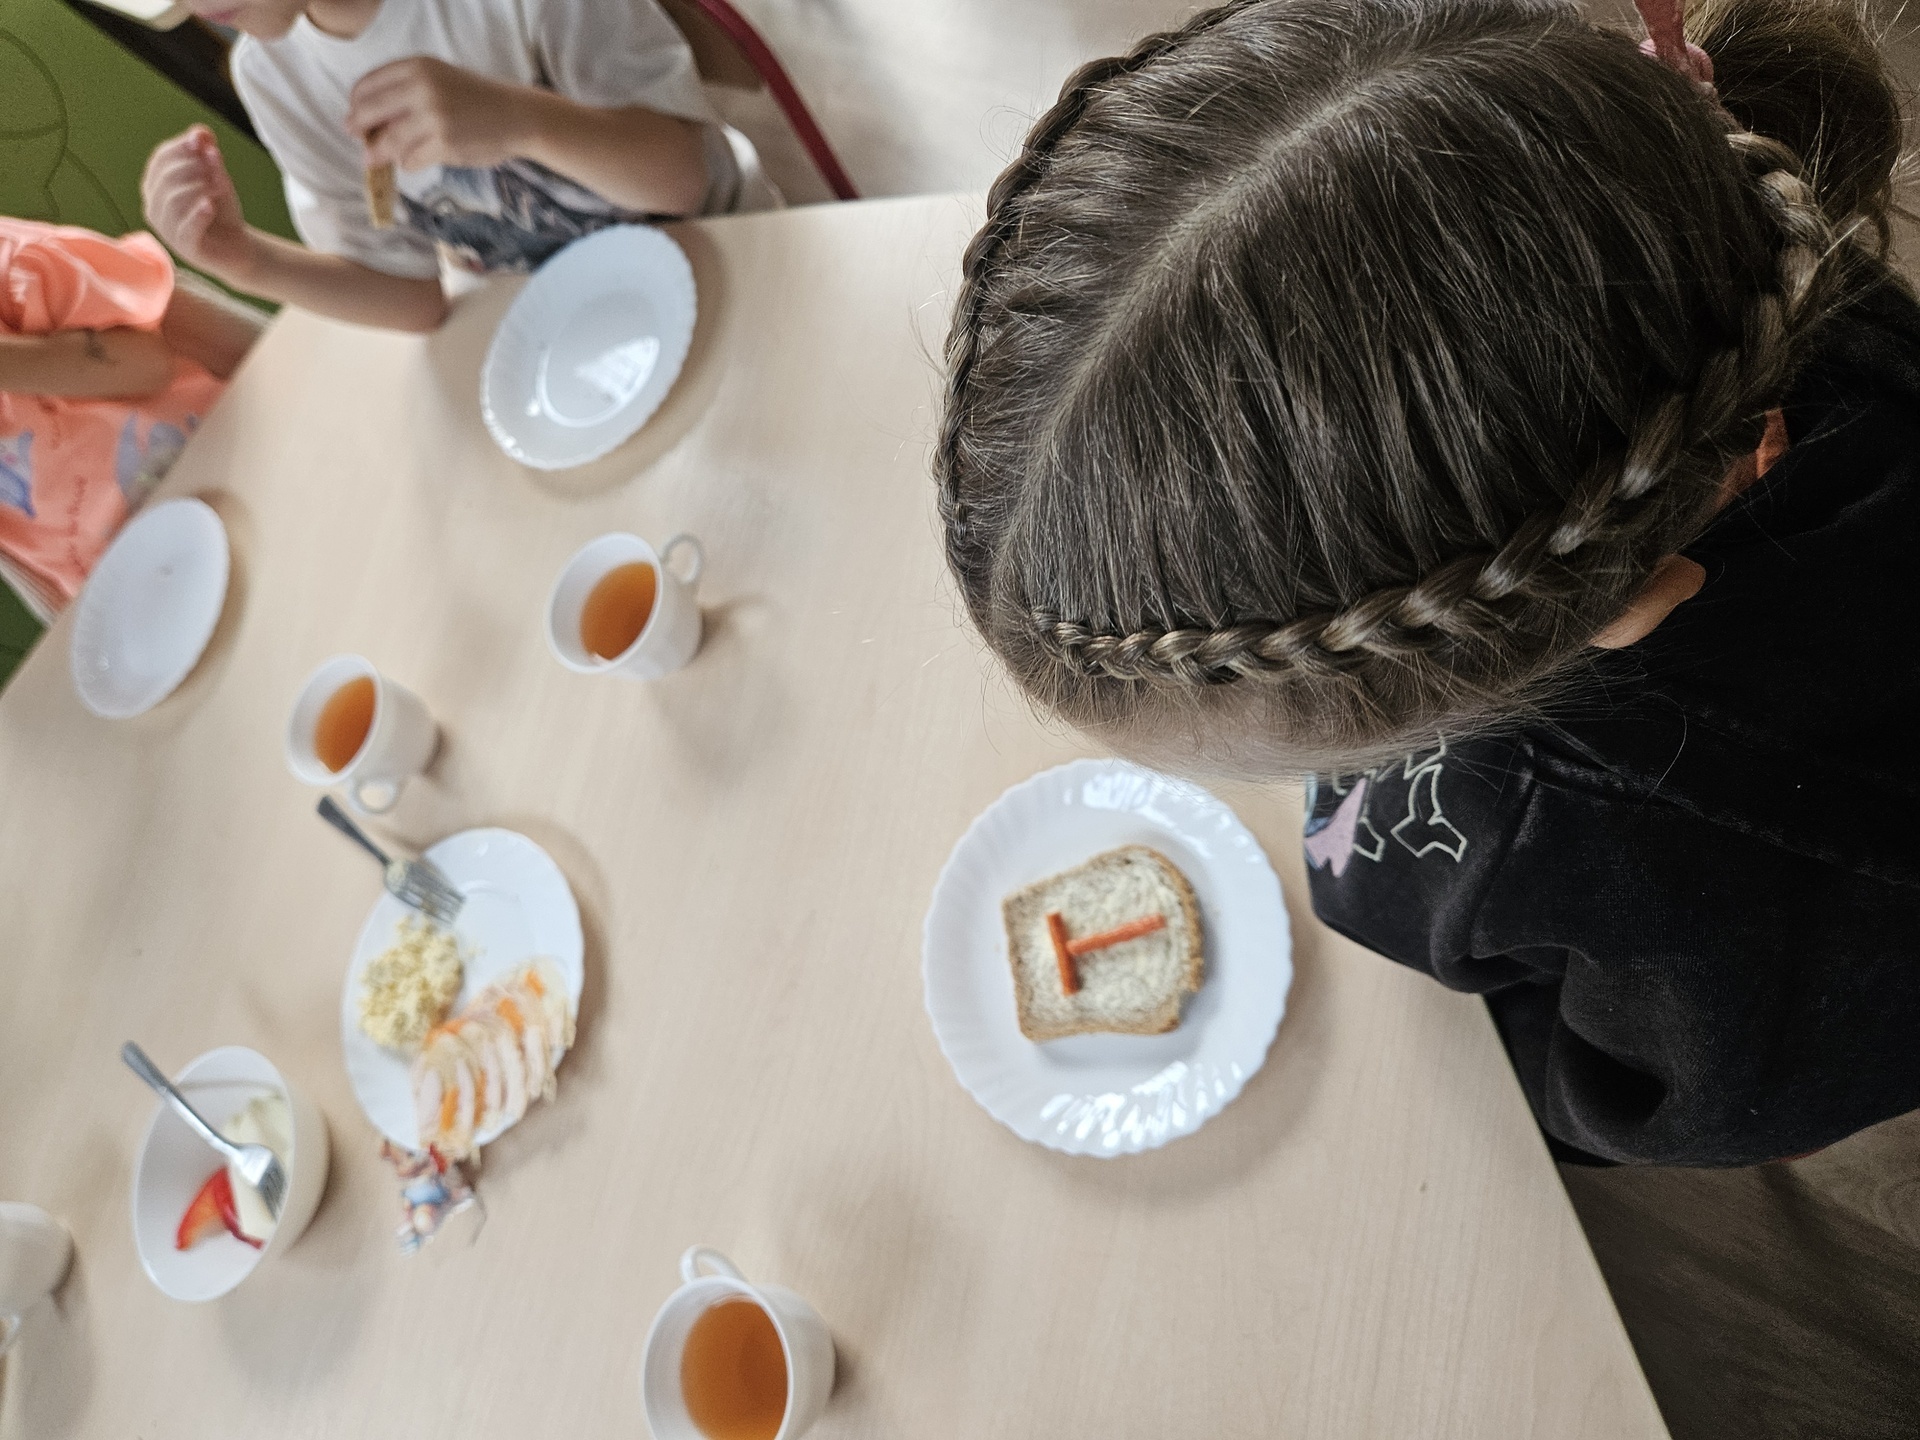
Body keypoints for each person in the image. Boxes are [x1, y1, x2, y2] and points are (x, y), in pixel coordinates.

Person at [934, 0, 1918, 1165]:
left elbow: (1612, 1104)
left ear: (1626, 605)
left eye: (1339, 749)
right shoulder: (1771, 303)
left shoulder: (1717, 885)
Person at [140, 0, 748, 332]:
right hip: (573, 327)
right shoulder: (274, 78)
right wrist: (248, 262)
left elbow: (682, 180)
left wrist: (521, 119)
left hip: (728, 260)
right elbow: (416, 298)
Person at [0, 218, 257, 618]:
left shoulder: (16, 267)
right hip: (151, 598)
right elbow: (36, 573)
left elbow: (150, 365)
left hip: (236, 475)